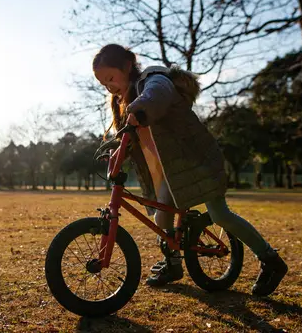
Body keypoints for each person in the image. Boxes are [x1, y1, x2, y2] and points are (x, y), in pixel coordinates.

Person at [92, 44, 287, 296]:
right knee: (161, 218)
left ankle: (271, 260)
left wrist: (139, 108)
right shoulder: (124, 102)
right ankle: (173, 265)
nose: (109, 86)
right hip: (170, 169)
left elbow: (157, 96)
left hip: (196, 158)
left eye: (111, 78)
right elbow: (130, 139)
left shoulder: (152, 80)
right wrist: (117, 151)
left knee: (220, 215)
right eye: (103, 83)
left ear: (127, 66)